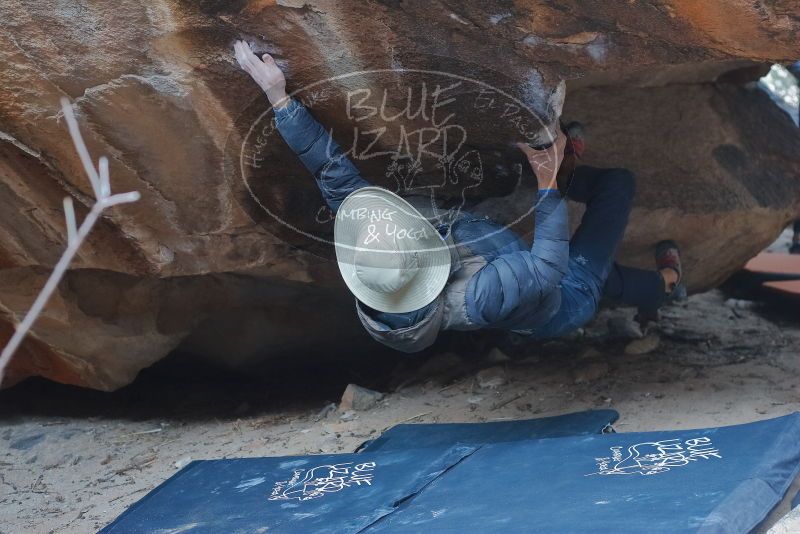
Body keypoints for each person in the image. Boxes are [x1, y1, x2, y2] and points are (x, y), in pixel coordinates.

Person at [234, 41, 683, 352]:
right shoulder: (478, 296)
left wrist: (277, 95)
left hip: (517, 280)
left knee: (602, 267)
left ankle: (649, 279)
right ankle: (666, 284)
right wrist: (548, 180)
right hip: (562, 296)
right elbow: (546, 267)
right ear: (428, 268)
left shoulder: (379, 266)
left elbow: (333, 173)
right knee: (613, 198)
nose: (408, 221)